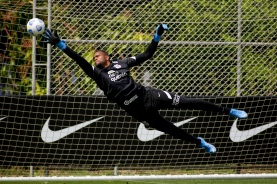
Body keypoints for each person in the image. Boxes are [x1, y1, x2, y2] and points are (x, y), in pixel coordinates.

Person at [41, 24, 247, 154]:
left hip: (150, 96)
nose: (94, 58)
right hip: (138, 111)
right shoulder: (98, 75)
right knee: (170, 129)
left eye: (97, 55)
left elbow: (147, 55)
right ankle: (199, 142)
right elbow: (80, 62)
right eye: (94, 57)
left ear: (107, 57)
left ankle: (227, 111)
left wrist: (156, 37)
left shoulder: (122, 63)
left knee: (189, 102)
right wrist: (61, 45)